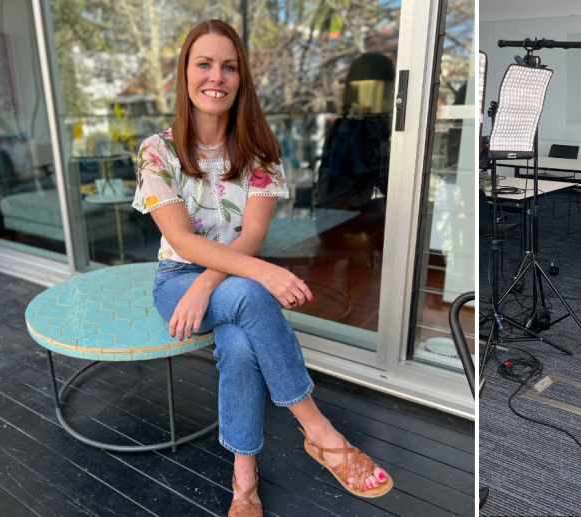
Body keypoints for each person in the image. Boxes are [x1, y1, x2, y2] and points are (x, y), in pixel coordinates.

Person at [132, 20, 391, 516]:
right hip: (175, 282)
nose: (217, 76)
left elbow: (250, 237)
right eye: (204, 64)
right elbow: (181, 240)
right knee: (253, 296)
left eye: (229, 66)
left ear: (242, 78)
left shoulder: (259, 151)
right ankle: (321, 433)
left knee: (239, 342)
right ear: (185, 74)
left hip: (224, 280)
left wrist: (213, 281)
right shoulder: (157, 151)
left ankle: (244, 479)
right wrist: (261, 274)